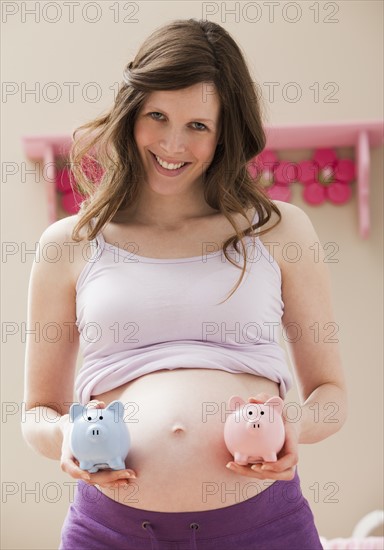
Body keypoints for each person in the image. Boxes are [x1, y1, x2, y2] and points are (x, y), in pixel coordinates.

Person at [22, 18, 347, 550]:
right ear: (131, 114)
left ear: (226, 131)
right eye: (157, 115)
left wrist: (296, 424)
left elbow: (332, 395)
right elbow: (37, 412)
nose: (173, 143)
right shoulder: (69, 243)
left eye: (198, 125)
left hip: (262, 527)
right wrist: (65, 437)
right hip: (110, 531)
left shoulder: (279, 230)